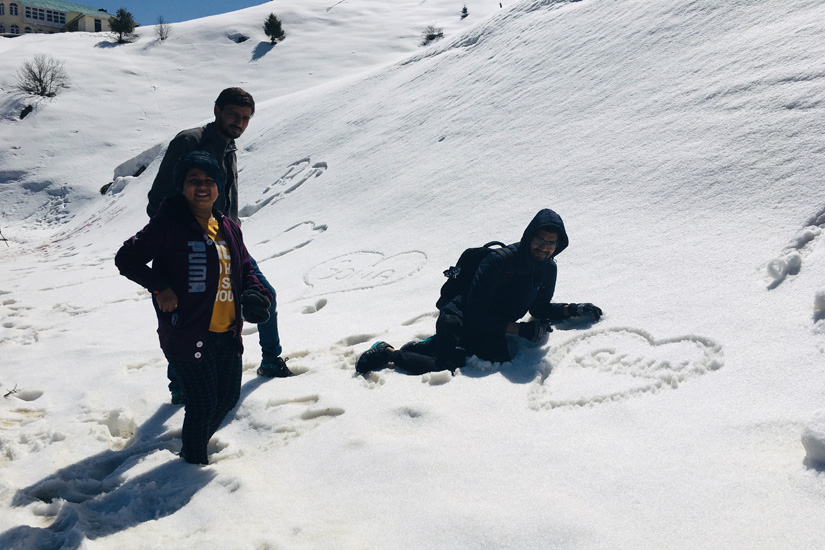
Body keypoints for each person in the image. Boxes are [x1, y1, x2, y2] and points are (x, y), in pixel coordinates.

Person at [116, 152, 273, 464]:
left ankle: (192, 448)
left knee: (226, 399)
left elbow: (244, 268)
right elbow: (127, 258)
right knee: (202, 405)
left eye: (209, 180)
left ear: (219, 186)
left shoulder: (227, 225)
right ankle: (191, 464)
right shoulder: (168, 223)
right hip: (187, 331)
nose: (202, 186)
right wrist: (160, 286)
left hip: (227, 331)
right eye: (194, 181)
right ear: (182, 186)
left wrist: (255, 292)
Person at [147, 87, 292, 406]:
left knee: (264, 295)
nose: (239, 123)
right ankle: (179, 385)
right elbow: (158, 200)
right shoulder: (189, 142)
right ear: (217, 111)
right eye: (233, 115)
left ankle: (270, 361)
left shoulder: (229, 149)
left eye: (245, 118)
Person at [355, 208, 603, 375]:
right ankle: (388, 352)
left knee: (498, 357)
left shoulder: (547, 268)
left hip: (492, 323)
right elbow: (474, 312)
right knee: (447, 366)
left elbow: (539, 307)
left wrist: (573, 309)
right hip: (460, 316)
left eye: (551, 243)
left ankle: (437, 344)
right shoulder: (498, 261)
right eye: (540, 239)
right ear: (529, 237)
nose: (544, 247)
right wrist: (520, 329)